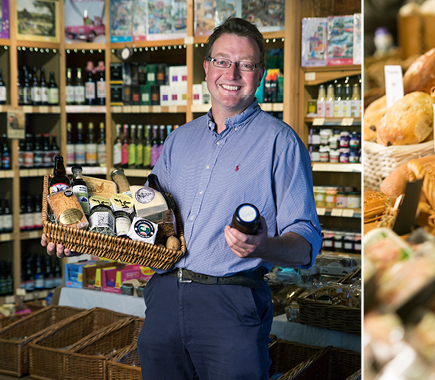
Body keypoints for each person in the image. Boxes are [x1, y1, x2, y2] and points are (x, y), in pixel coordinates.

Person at [42, 17, 322, 380]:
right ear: (206, 69)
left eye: (247, 64)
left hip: (231, 305)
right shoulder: (179, 139)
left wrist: (262, 245)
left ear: (262, 74)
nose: (232, 73)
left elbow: (306, 245)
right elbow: (142, 216)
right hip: (163, 299)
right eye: (222, 61)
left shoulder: (281, 143)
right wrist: (78, 232)